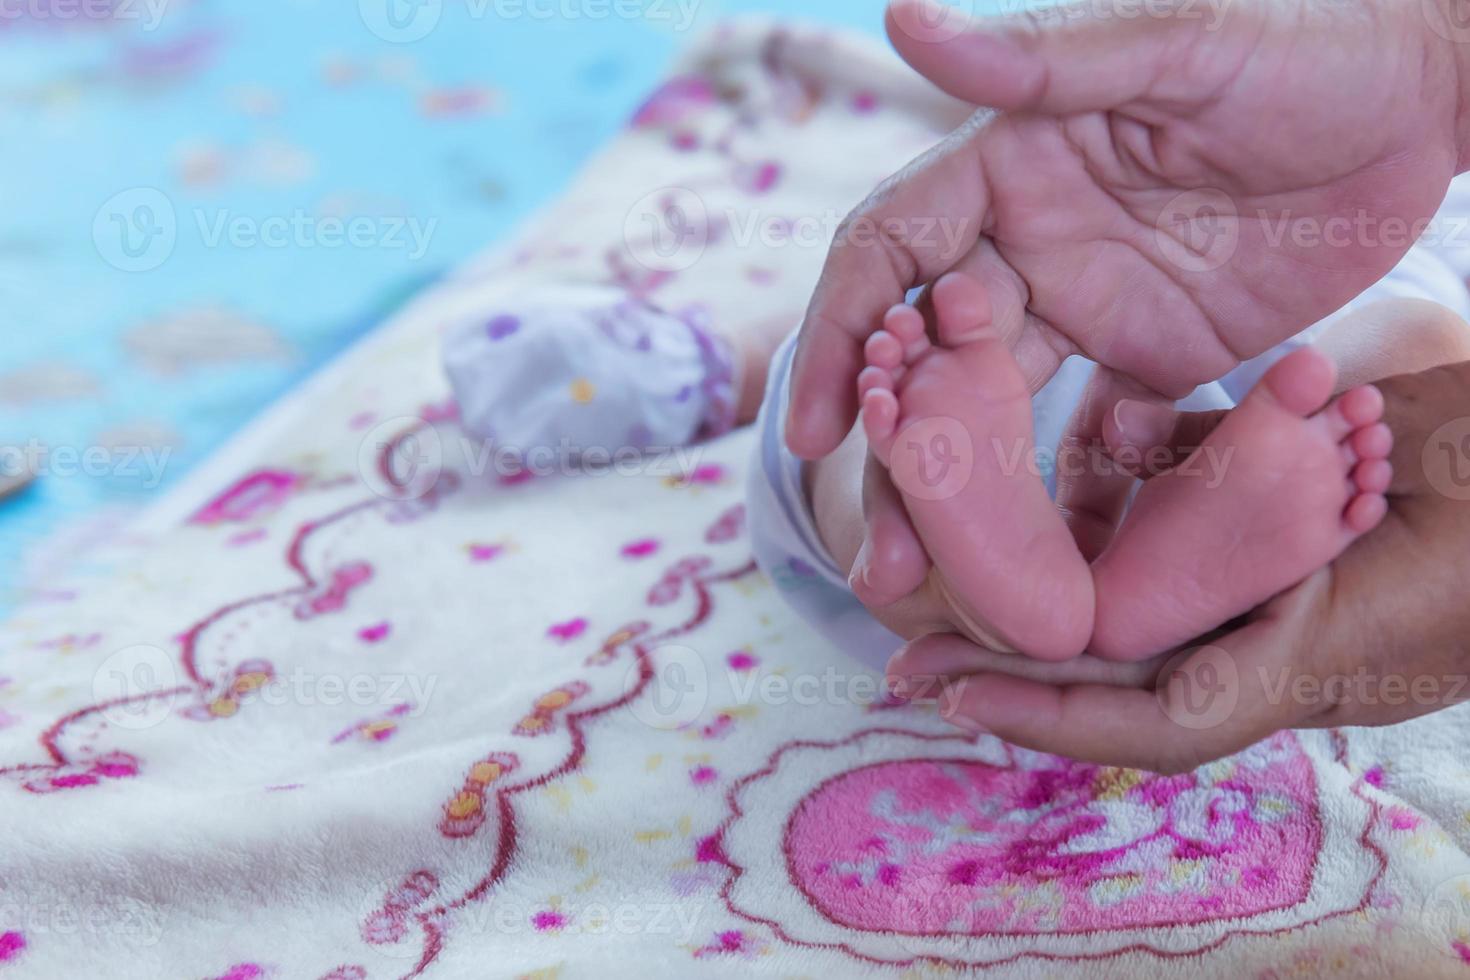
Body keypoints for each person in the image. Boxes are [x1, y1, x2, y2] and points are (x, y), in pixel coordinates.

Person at [771, 0, 1470, 767]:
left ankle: (986, 572)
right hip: (1281, 362)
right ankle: (1172, 570)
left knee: (881, 386)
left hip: (1084, 307)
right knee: (1412, 353)